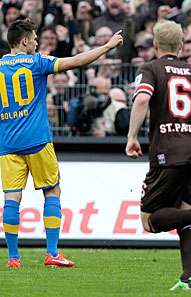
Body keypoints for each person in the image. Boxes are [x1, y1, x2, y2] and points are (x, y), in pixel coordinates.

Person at [0, 19, 123, 268]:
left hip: (7, 143)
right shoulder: (38, 62)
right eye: (34, 38)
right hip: (37, 141)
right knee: (52, 191)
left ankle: (13, 258)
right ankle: (52, 253)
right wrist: (107, 46)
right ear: (24, 41)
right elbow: (78, 61)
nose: (36, 42)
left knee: (11, 198)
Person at [125, 20, 191, 291]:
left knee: (151, 221)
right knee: (184, 212)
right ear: (182, 46)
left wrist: (132, 137)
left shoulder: (151, 69)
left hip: (168, 152)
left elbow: (141, 99)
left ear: (155, 45)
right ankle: (189, 278)